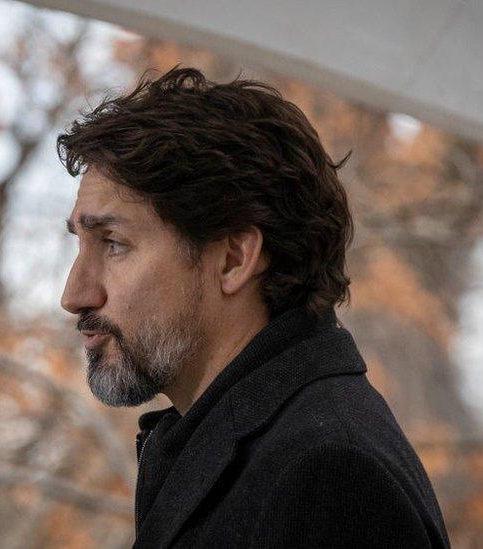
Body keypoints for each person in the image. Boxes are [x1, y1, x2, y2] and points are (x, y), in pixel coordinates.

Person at [58, 67, 449, 548]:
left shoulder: (328, 476)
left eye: (113, 243)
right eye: (80, 244)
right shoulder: (255, 448)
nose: (74, 295)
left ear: (234, 258)